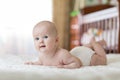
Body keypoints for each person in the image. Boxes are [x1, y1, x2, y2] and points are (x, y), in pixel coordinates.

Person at [25, 21, 107, 68]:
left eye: (45, 37)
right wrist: (33, 63)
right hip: (76, 52)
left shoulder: (62, 54)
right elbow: (40, 62)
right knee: (81, 48)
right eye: (37, 38)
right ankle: (91, 44)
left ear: (56, 40)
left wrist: (65, 67)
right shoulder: (42, 55)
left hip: (86, 57)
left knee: (103, 61)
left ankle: (94, 43)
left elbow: (77, 63)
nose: (40, 41)